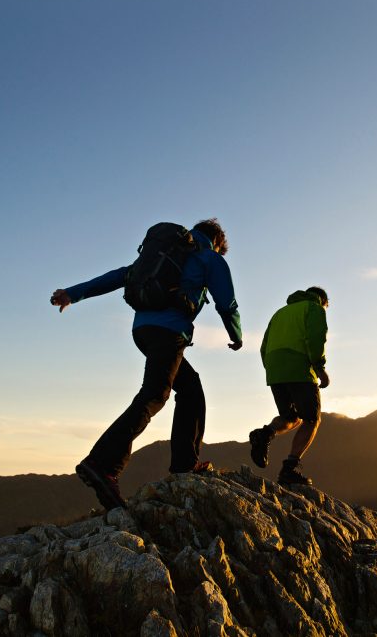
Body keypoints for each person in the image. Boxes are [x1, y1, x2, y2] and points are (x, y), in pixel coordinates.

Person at [50, 218, 243, 509]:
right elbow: (226, 303)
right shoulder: (208, 257)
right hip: (169, 332)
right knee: (154, 395)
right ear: (217, 242)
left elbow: (119, 276)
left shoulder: (161, 255)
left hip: (142, 331)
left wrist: (73, 293)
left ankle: (184, 464)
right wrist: (236, 335)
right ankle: (102, 464)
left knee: (190, 388)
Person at [248, 286, 329, 486]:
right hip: (298, 368)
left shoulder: (279, 313)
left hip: (275, 370)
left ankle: (264, 434)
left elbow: (263, 346)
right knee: (311, 419)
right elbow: (316, 338)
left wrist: (273, 369)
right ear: (323, 301)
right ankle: (289, 469)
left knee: (291, 417)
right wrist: (320, 368)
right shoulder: (314, 308)